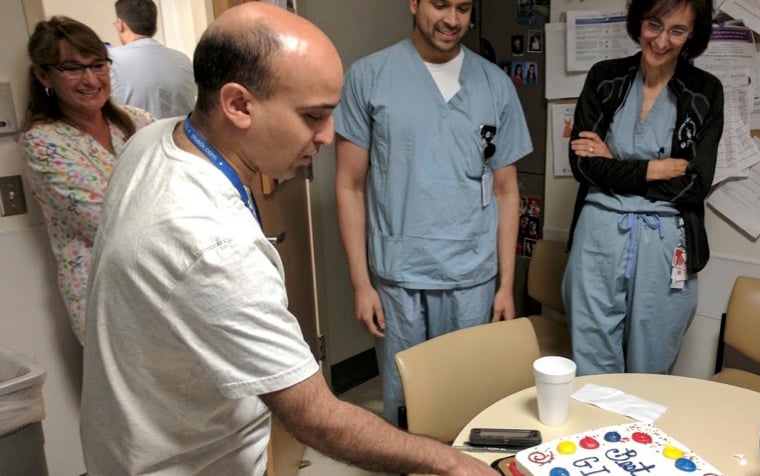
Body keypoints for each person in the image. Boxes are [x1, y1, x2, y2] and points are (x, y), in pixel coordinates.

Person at [80, 4, 497, 475]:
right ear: (238, 104)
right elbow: (319, 420)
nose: (327, 135)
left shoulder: (154, 139)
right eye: (313, 116)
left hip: (133, 440)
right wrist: (456, 464)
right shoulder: (213, 243)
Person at [335, 0, 532, 426]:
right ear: (414, 3)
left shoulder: (495, 85)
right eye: (440, 4)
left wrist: (506, 284)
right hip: (398, 276)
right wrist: (360, 283)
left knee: (465, 397)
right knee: (406, 403)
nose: (452, 19)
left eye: (463, 7)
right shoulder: (369, 77)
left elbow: (506, 190)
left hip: (471, 277)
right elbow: (350, 185)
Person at [562, 0, 723, 375]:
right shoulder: (605, 78)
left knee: (651, 369)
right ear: (639, 22)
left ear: (692, 35)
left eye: (677, 31)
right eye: (654, 25)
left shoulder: (705, 91)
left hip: (667, 244)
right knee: (591, 362)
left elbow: (696, 184)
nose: (662, 41)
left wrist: (614, 166)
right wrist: (652, 169)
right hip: (598, 237)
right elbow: (583, 165)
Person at [19, 16, 153, 345]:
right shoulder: (43, 143)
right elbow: (106, 221)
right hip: (106, 292)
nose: (90, 79)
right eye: (72, 68)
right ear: (43, 75)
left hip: (161, 278)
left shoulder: (139, 122)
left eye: (97, 64)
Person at [110, 0, 196, 118]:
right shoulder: (183, 60)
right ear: (155, 27)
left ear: (120, 24)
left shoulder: (109, 61)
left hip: (133, 136)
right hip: (180, 134)